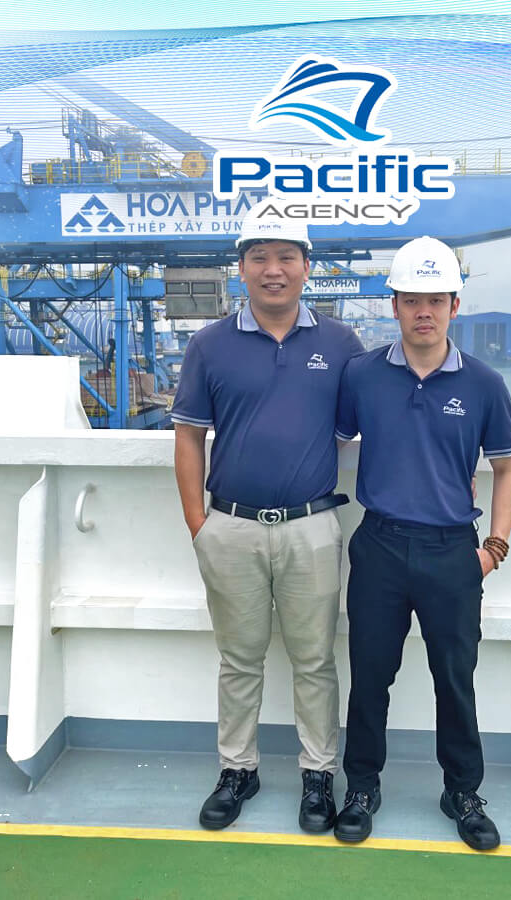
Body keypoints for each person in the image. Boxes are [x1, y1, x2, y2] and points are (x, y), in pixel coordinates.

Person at [171, 204, 364, 833]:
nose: (273, 269)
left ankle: (318, 774)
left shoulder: (340, 344)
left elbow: (372, 421)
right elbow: (188, 437)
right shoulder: (209, 345)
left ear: (307, 267)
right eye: (259, 257)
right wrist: (200, 524)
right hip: (231, 528)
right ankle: (238, 769)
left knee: (315, 660)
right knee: (239, 659)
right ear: (242, 267)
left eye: (286, 257)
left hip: (312, 526)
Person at [331, 236, 511, 851]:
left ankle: (462, 792)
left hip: (452, 550)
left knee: (455, 678)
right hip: (380, 545)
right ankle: (362, 787)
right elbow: (329, 438)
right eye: (412, 300)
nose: (424, 312)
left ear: (454, 306)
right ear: (394, 306)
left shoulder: (485, 384)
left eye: (436, 300)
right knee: (370, 676)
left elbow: (508, 466)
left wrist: (493, 547)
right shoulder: (361, 375)